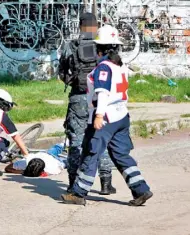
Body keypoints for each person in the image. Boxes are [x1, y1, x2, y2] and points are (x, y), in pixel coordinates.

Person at [61, 24, 153, 206]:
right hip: (121, 116)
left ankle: (78, 193)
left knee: (90, 153)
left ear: (99, 49)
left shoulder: (103, 67)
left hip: (106, 117)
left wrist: (98, 116)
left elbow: (102, 92)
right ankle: (141, 190)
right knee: (121, 155)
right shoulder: (121, 65)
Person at [58, 12, 116, 195]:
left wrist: (73, 81)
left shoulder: (72, 45)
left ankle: (72, 183)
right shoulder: (104, 45)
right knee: (101, 139)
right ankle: (106, 183)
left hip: (78, 97)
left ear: (81, 26)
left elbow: (62, 72)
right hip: (99, 98)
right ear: (96, 25)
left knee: (75, 140)